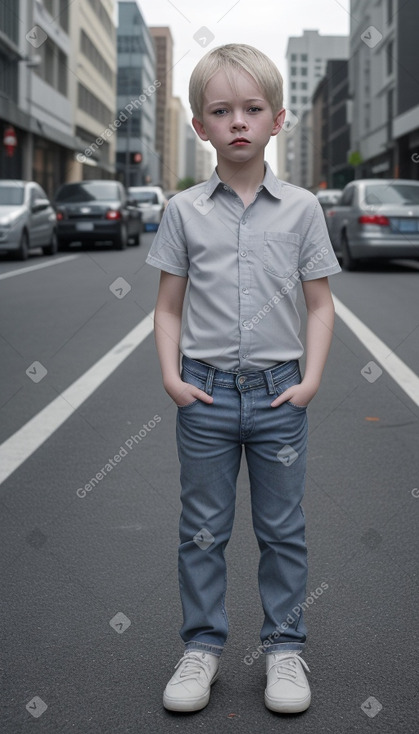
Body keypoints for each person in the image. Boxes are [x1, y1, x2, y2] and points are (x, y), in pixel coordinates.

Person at [146, 43, 341, 715]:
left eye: (252, 109)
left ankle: (284, 651)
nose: (238, 122)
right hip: (203, 394)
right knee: (201, 531)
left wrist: (309, 380)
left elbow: (319, 303)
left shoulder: (301, 209)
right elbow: (167, 306)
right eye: (220, 111)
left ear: (276, 119)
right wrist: (172, 379)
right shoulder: (183, 211)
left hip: (278, 395)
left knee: (282, 529)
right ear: (200, 125)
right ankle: (200, 648)